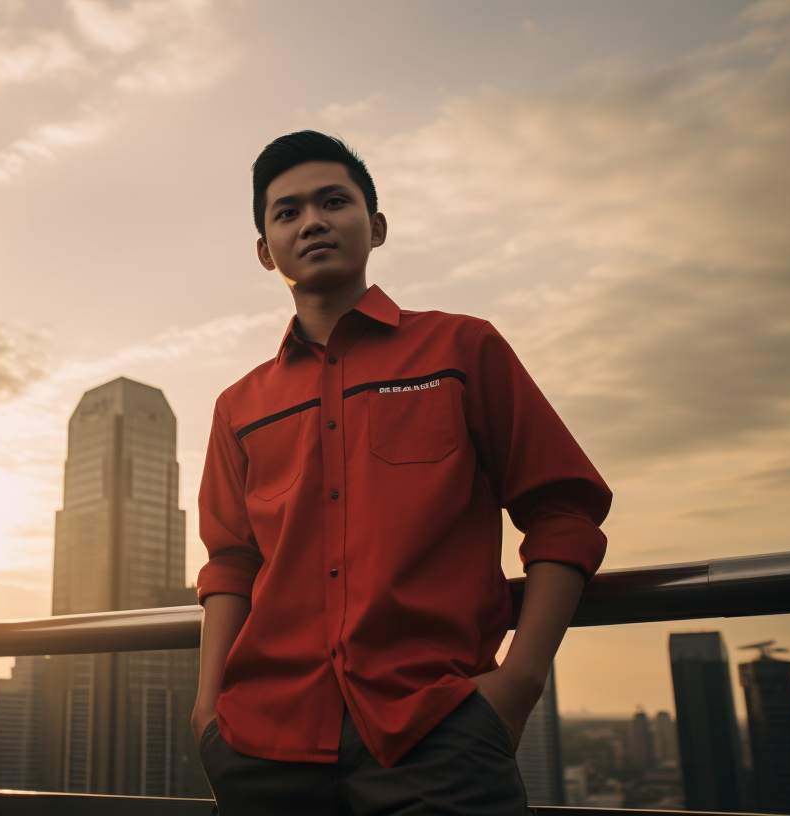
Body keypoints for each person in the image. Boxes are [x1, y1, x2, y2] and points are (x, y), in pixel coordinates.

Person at [191, 131, 611, 815]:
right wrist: (208, 716)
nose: (313, 221)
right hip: (264, 748)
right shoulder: (239, 406)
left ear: (376, 226)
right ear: (266, 251)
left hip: (438, 735)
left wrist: (519, 684)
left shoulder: (462, 347)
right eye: (287, 212)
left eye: (334, 201)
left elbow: (563, 509)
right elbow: (231, 564)